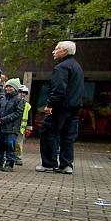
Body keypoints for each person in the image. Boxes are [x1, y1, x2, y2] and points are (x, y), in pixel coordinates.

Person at [36, 41, 84, 175]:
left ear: (64, 51)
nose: (53, 51)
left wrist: (50, 105)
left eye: (56, 49)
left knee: (48, 133)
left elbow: (59, 89)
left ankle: (49, 163)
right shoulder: (77, 66)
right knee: (68, 136)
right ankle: (66, 165)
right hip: (74, 107)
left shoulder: (61, 67)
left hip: (60, 107)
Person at [0, 78, 25, 172]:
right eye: (7, 86)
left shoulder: (19, 100)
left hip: (12, 129)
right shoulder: (3, 99)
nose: (8, 88)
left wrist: (3, 120)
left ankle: (10, 163)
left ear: (16, 88)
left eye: (11, 87)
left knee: (10, 146)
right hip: (1, 128)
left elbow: (17, 114)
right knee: (0, 145)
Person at [14, 84, 32, 165]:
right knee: (9, 142)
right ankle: (8, 156)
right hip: (12, 127)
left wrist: (28, 128)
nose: (22, 94)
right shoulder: (13, 102)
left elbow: (29, 118)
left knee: (18, 144)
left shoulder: (27, 105)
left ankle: (18, 158)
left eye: (24, 93)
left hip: (21, 128)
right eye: (20, 92)